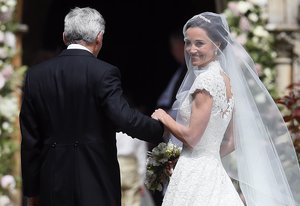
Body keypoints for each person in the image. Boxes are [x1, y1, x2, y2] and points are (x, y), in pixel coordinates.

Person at [19, 7, 164, 206]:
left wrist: (32, 191)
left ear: (64, 37)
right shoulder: (104, 73)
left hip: (52, 184)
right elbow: (125, 118)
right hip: (97, 181)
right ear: (99, 38)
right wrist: (160, 128)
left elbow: (30, 140)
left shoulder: (35, 76)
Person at [152, 12, 300, 206]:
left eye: (199, 43)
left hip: (195, 175)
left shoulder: (205, 81)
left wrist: (164, 117)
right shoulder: (226, 80)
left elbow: (192, 137)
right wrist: (208, 155)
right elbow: (232, 141)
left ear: (217, 45)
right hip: (213, 170)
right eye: (188, 42)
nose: (191, 49)